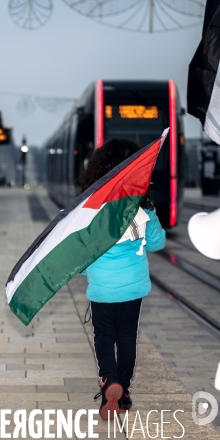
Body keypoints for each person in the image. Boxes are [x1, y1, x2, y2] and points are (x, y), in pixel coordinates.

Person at [78, 138, 166, 421]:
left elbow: (81, 251)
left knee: (103, 335)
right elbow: (157, 243)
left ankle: (109, 379)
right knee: (127, 337)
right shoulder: (142, 207)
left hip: (102, 287)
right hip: (133, 286)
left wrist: (84, 272)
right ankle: (124, 390)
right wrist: (150, 218)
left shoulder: (92, 208)